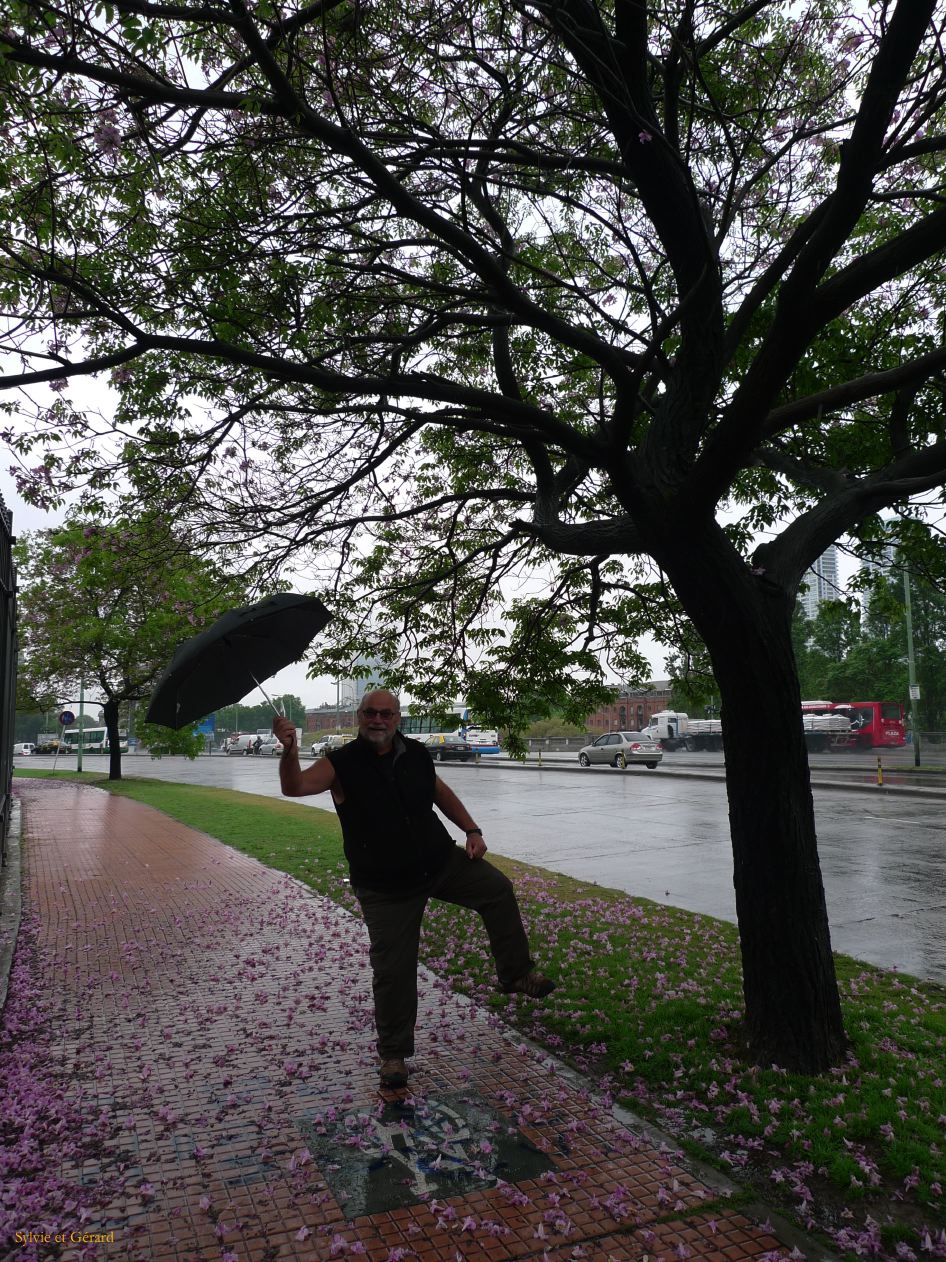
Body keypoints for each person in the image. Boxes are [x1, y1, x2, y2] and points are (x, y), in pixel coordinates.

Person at [272, 690, 554, 1090]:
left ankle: (514, 974)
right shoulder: (341, 763)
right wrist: (289, 750)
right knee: (393, 971)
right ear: (359, 716)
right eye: (370, 713)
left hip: (439, 863)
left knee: (497, 889)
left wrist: (471, 830)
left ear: (398, 718)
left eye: (386, 714)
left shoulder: (416, 753)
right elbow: (295, 786)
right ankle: (393, 1056)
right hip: (385, 886)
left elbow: (439, 793)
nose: (378, 720)